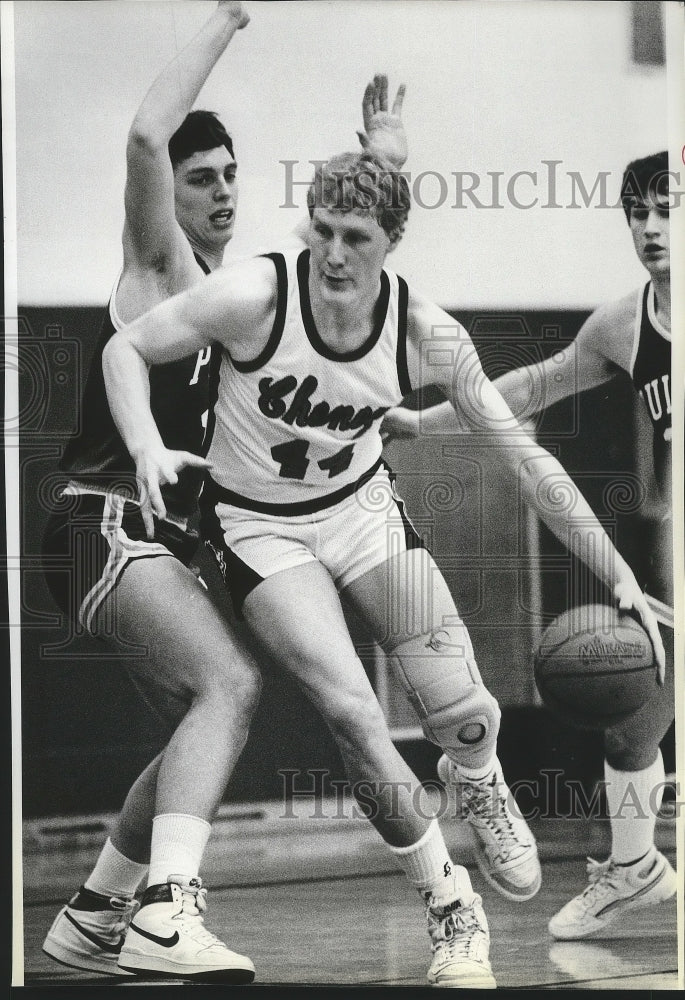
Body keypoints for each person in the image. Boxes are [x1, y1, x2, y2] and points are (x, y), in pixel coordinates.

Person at [101, 151, 664, 987]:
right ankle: (450, 907)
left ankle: (476, 775)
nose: (332, 253)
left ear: (389, 242)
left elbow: (522, 459)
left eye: (354, 237)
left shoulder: (426, 332)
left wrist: (613, 567)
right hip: (261, 528)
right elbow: (127, 348)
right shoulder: (255, 294)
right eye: (320, 231)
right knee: (354, 713)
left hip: (362, 511)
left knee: (463, 709)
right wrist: (145, 442)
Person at [40, 1, 406, 982]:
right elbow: (146, 134)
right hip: (95, 521)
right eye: (203, 178)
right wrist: (229, 18)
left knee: (202, 723)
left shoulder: (230, 302)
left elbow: (344, 274)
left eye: (233, 175)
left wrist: (381, 161)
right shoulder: (157, 270)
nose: (222, 190)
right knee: (231, 684)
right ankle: (168, 917)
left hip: (153, 538)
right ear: (172, 194)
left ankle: (94, 909)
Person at [381, 150, 678, 939]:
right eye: (637, 212)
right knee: (631, 714)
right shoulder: (626, 322)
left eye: (666, 207)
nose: (650, 228)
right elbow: (532, 387)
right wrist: (424, 422)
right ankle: (635, 867)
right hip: (669, 555)